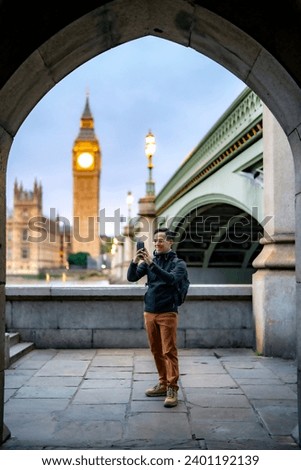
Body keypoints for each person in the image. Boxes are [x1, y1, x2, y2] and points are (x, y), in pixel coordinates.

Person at [127, 227, 188, 408]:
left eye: (161, 240)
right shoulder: (148, 261)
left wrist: (152, 264)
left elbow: (170, 279)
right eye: (154, 241)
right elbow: (131, 278)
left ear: (170, 242)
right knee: (156, 350)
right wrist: (134, 261)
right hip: (150, 311)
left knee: (169, 351)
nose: (157, 243)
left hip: (168, 311)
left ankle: (172, 388)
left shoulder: (179, 264)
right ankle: (162, 383)